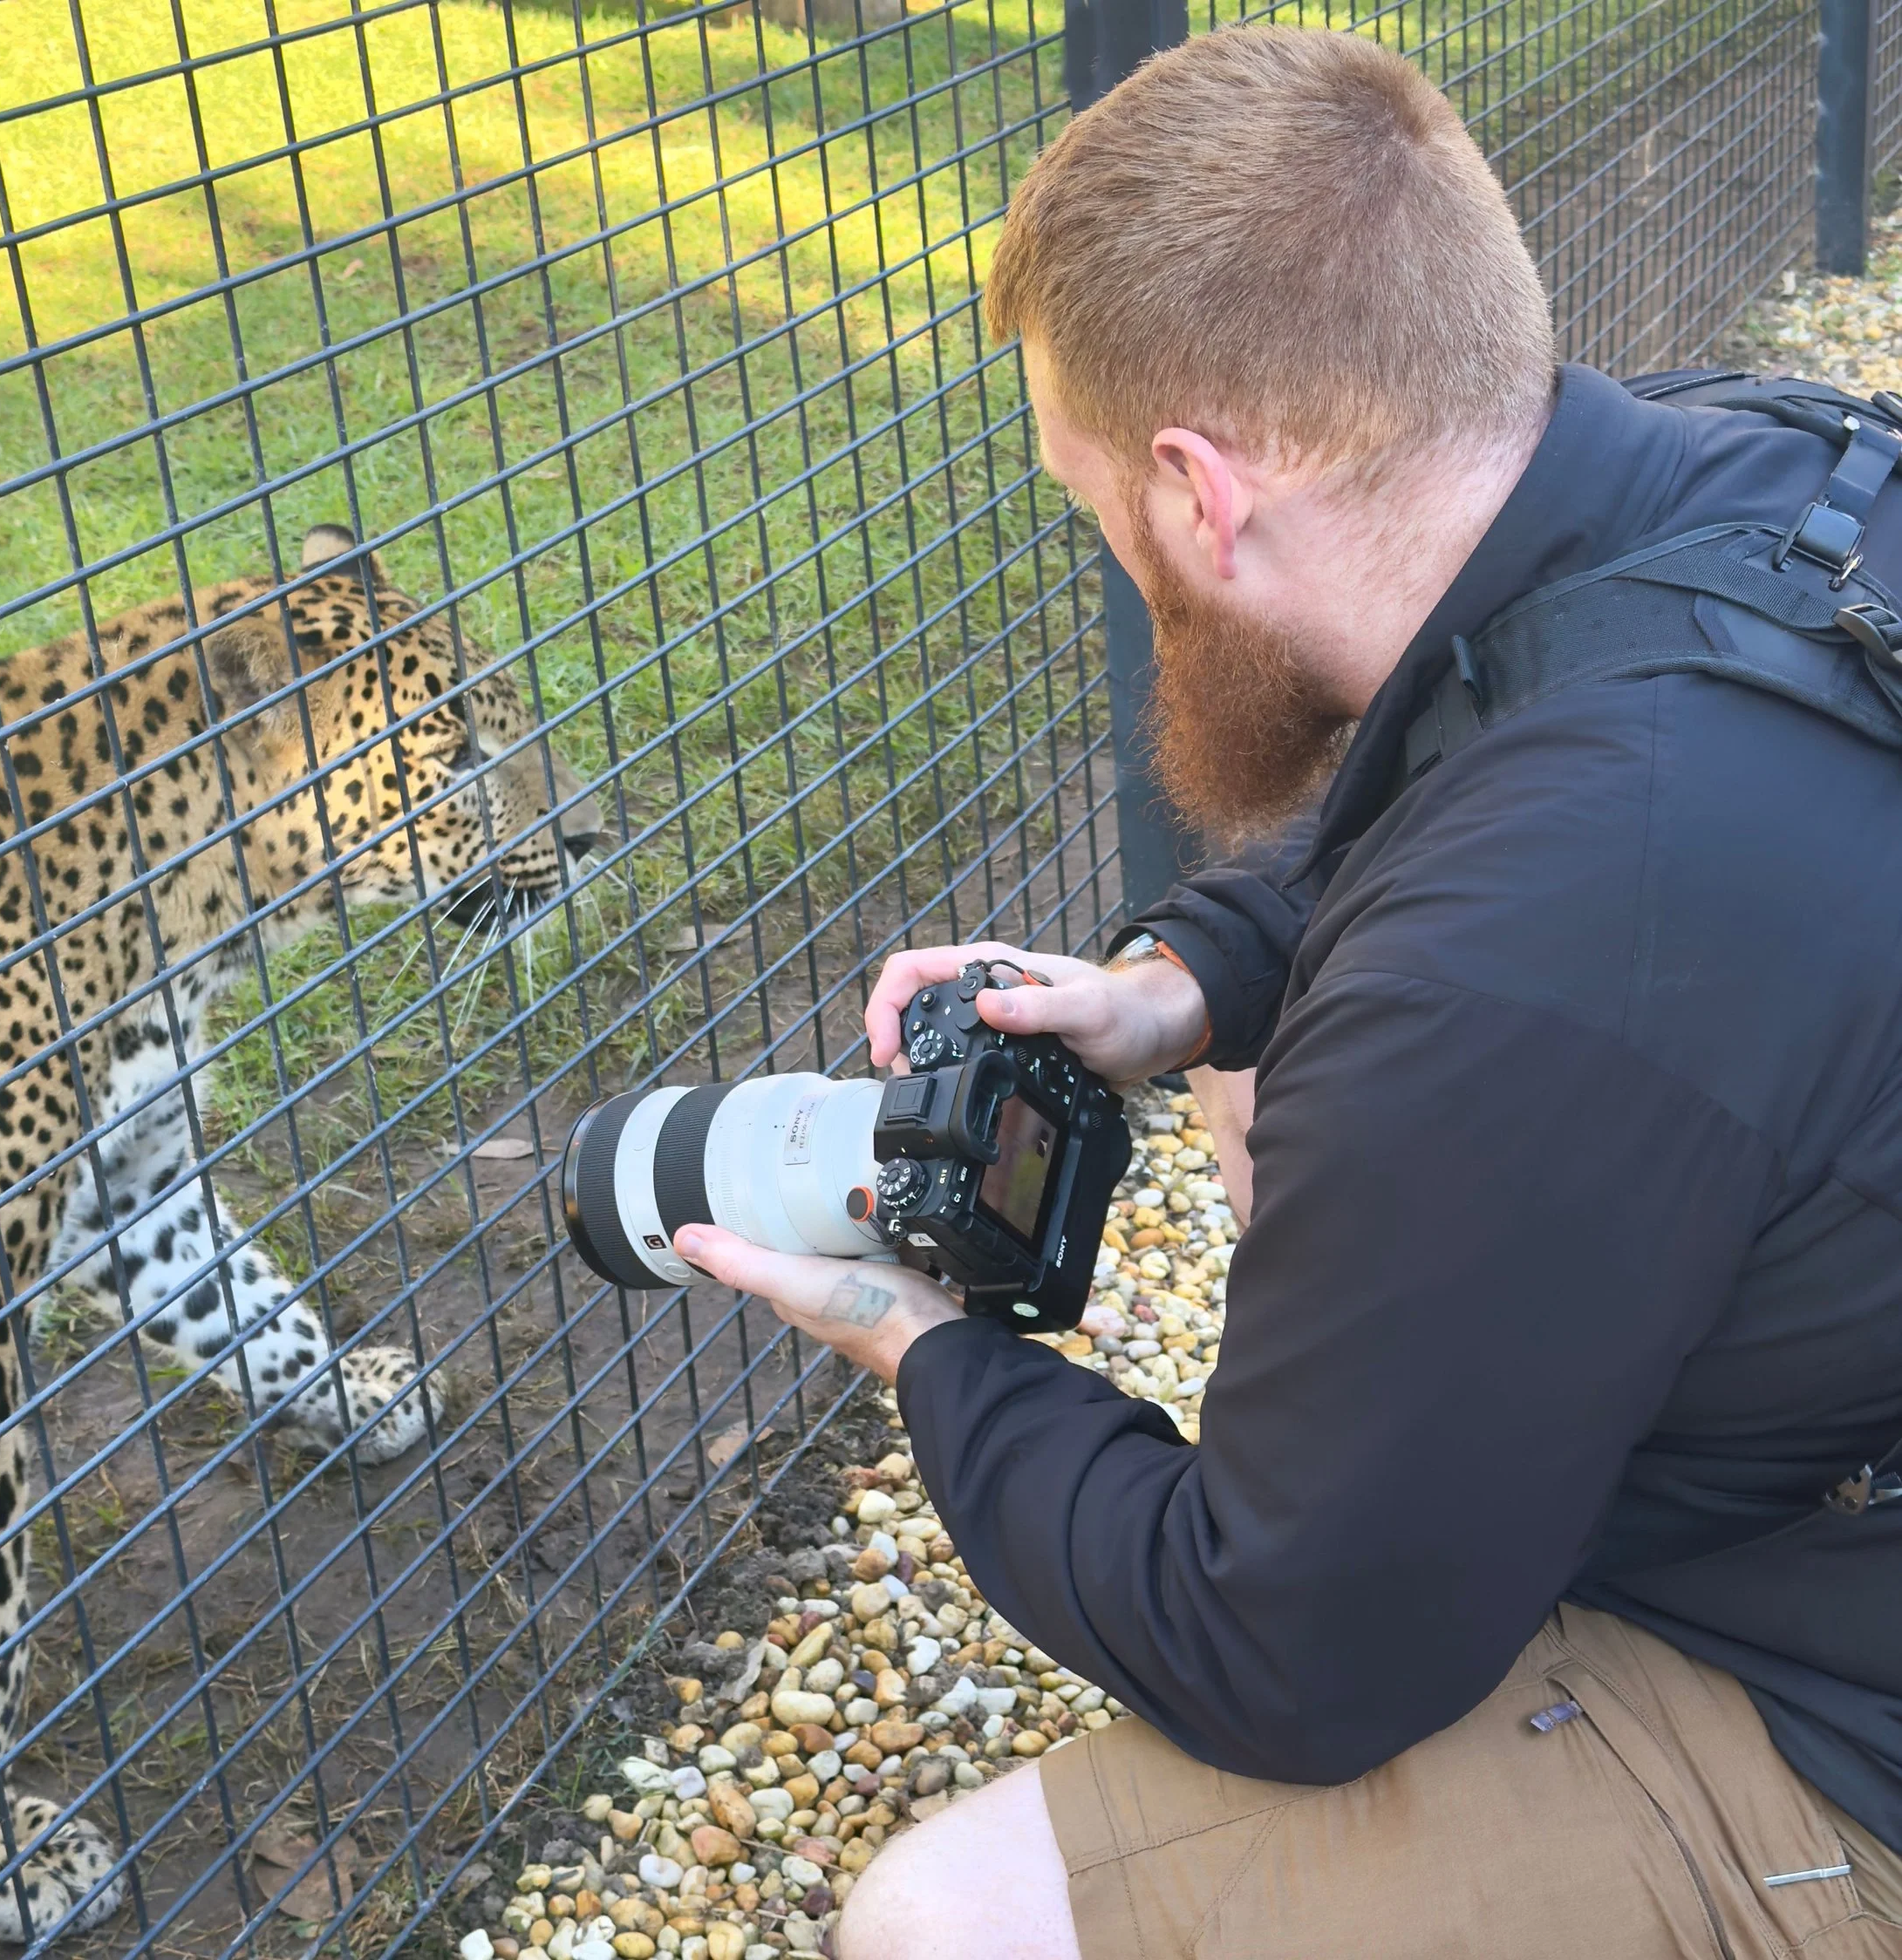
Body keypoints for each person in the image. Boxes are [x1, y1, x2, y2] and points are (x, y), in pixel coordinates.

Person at [676, 24, 1902, 1960]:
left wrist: (921, 1347)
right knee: (1276, 1090)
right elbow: (1460, 764)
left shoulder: (1505, 976)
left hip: (1845, 1688)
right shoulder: (1741, 462)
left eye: (1092, 505)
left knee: (944, 1914)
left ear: (1192, 491)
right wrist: (1177, 985)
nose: (1112, 549)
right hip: (1826, 1392)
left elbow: (1275, 1650)